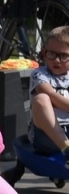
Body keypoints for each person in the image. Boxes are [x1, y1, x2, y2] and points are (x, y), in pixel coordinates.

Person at [26, 24, 69, 155]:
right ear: (44, 53)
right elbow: (50, 94)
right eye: (52, 54)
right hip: (46, 135)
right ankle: (67, 149)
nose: (56, 60)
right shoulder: (39, 74)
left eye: (63, 56)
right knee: (42, 99)